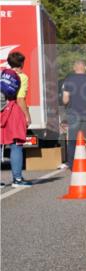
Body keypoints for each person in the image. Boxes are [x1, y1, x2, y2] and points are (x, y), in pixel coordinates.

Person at [61, 59, 86, 173]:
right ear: (85, 68)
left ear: (74, 68)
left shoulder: (68, 80)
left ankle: (72, 166)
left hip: (73, 113)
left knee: (72, 141)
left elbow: (65, 100)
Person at [1, 57, 29, 187]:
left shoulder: (2, 73)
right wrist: (27, 116)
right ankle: (17, 179)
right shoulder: (22, 77)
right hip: (13, 112)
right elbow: (20, 99)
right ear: (21, 63)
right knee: (16, 144)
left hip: (1, 111)